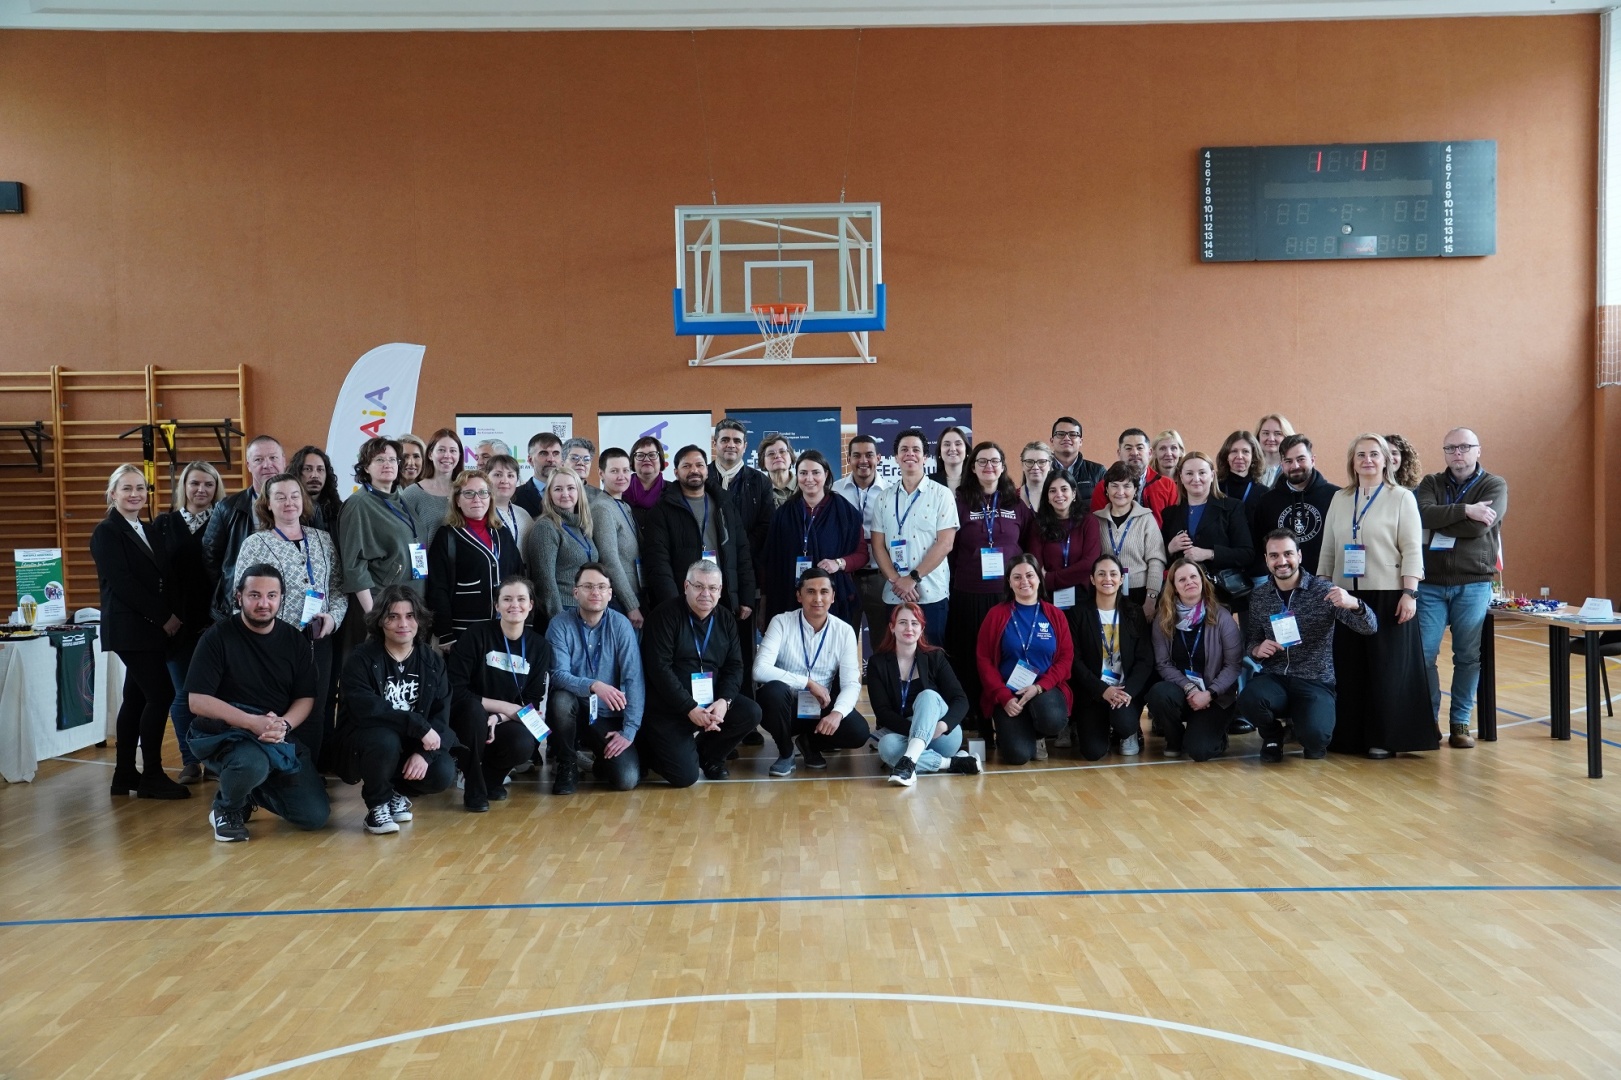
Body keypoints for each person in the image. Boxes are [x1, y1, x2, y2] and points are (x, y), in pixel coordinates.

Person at [186, 564, 330, 840]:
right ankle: (227, 807)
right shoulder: (217, 637)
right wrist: (252, 723)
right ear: (239, 597)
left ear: (281, 598)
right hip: (228, 734)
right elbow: (198, 701)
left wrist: (283, 725)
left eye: (271, 596)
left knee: (314, 816)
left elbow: (305, 697)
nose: (264, 603)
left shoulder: (294, 640)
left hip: (275, 735)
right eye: (255, 595)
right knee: (251, 763)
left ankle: (247, 791)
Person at [1316, 434, 1436, 758]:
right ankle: (1350, 737)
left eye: (1374, 454)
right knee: (1350, 667)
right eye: (1361, 455)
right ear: (1352, 462)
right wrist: (1323, 587)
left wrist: (1410, 592)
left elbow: (1412, 549)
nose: (1367, 460)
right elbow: (1328, 548)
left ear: (1385, 460)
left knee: (1387, 670)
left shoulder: (1402, 498)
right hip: (1345, 594)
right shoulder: (1340, 498)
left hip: (1389, 594)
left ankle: (1385, 738)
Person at [234, 472, 347, 767]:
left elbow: (337, 588)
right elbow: (240, 597)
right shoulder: (255, 543)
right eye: (280, 497)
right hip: (274, 643)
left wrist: (333, 619)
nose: (289, 502)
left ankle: (308, 772)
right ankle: (278, 770)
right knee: (278, 707)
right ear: (267, 504)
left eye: (295, 496)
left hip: (318, 640)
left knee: (316, 708)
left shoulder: (323, 540)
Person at [91, 464, 190, 800]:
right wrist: (164, 618)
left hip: (149, 629)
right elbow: (123, 584)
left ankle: (123, 775)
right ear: (112, 494)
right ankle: (152, 775)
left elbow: (164, 577)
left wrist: (173, 614)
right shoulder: (106, 532)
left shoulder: (146, 528)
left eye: (140, 488)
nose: (135, 494)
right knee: (161, 695)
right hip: (130, 628)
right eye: (127, 488)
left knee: (136, 697)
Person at [1241, 530, 1378, 761]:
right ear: (1266, 559)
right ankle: (1273, 735)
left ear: (1300, 556)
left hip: (1315, 680)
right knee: (1249, 699)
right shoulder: (1260, 596)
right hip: (1275, 677)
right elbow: (1252, 640)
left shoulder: (1323, 592)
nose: (1282, 561)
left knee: (1316, 743)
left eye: (1288, 554)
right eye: (1274, 556)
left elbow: (1370, 627)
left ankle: (1304, 722)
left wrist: (1355, 604)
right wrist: (1256, 649)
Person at [337, 585, 459, 834]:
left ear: (419, 620)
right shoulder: (361, 658)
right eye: (393, 616)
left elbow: (441, 715)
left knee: (442, 772)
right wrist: (417, 725)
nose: (403, 623)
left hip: (411, 743)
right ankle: (377, 806)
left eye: (410, 616)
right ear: (380, 620)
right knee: (385, 739)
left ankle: (395, 792)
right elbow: (365, 709)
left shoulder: (432, 661)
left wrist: (424, 755)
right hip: (367, 744)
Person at [1415, 428, 1508, 749]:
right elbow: (1422, 514)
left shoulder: (1494, 485)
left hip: (1473, 583)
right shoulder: (1430, 483)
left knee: (1467, 656)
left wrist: (1445, 519)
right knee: (1424, 655)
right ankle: (1428, 721)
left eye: (1465, 447)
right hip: (1430, 585)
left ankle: (1460, 723)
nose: (1457, 453)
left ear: (1478, 450)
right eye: (1451, 448)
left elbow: (1479, 528)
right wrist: (1467, 509)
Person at [637, 560, 763, 786]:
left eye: (712, 588)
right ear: (686, 586)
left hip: (709, 701)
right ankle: (649, 751)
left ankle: (709, 757)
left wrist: (724, 701)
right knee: (684, 777)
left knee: (750, 712)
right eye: (699, 586)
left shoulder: (726, 619)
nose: (706, 593)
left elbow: (735, 666)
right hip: (670, 707)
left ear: (720, 591)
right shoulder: (664, 616)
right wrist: (689, 708)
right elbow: (660, 670)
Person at [945, 440, 1031, 735]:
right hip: (969, 594)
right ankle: (974, 716)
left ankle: (1008, 712)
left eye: (995, 461)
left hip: (1008, 595)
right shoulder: (959, 502)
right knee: (970, 656)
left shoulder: (1016, 504)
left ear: (1003, 467)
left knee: (1007, 653)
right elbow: (951, 549)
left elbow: (1026, 544)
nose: (989, 466)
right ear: (972, 467)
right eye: (982, 461)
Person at [447, 575, 552, 810]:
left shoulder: (539, 646)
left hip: (505, 719)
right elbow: (456, 690)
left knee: (524, 742)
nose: (514, 605)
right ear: (497, 605)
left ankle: (490, 780)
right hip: (469, 714)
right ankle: (473, 787)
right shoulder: (476, 634)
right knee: (473, 712)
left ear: (531, 605)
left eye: (521, 599)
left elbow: (532, 700)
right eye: (507, 599)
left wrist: (499, 717)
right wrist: (505, 707)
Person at [754, 568, 868, 776]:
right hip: (785, 709)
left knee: (858, 732)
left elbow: (851, 683)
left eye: (824, 592)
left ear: (833, 596)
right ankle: (785, 752)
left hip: (820, 707)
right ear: (799, 596)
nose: (818, 598)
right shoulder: (781, 622)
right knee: (773, 692)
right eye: (810, 591)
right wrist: (807, 682)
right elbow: (759, 669)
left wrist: (837, 713)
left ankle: (810, 743)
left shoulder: (844, 631)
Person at [152, 460, 224, 784]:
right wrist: (164, 616)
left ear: (216, 488)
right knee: (182, 695)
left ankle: (215, 760)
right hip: (175, 626)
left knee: (215, 696)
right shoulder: (164, 524)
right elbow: (154, 576)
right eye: (194, 483)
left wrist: (220, 618)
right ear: (183, 487)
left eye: (208, 484)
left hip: (214, 624)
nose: (201, 489)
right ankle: (190, 761)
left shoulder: (224, 521)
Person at [545, 564, 644, 794]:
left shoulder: (621, 625)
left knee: (627, 779)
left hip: (608, 715)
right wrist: (593, 685)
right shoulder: (559, 624)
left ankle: (601, 763)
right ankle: (566, 764)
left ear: (610, 593)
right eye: (588, 586)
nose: (595, 592)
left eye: (601, 587)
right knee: (560, 699)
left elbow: (634, 679)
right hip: (575, 710)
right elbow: (557, 675)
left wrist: (629, 730)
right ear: (575, 592)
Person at [865, 602, 981, 785]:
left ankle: (908, 762)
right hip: (903, 733)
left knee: (928, 695)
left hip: (941, 735)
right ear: (892, 627)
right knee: (886, 746)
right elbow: (882, 711)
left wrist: (942, 726)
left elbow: (961, 700)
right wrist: (918, 732)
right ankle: (951, 763)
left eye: (914, 623)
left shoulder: (935, 657)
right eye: (902, 622)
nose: (909, 628)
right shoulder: (877, 663)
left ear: (922, 629)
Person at [974, 554, 1073, 766]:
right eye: (1017, 577)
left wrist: (1039, 687)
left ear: (1039, 579)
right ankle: (1016, 731)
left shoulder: (1055, 615)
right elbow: (984, 660)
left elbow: (1066, 659)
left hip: (1043, 690)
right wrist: (1003, 696)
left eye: (1029, 575)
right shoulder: (996, 615)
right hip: (1008, 693)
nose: (1024, 581)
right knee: (1017, 756)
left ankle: (1037, 736)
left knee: (1053, 719)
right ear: (1009, 582)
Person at [642, 445, 756, 625]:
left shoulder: (724, 505)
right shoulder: (662, 511)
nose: (694, 470)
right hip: (683, 603)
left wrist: (746, 597)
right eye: (686, 466)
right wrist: (674, 605)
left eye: (699, 465)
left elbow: (741, 551)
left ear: (707, 470)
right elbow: (658, 563)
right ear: (676, 472)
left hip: (723, 599)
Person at [1145, 559, 1244, 760]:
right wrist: (1189, 688)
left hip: (1215, 697)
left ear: (1202, 580)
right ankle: (1174, 738)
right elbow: (1163, 663)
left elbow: (1233, 665)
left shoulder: (1222, 616)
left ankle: (1217, 736)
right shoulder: (1163, 618)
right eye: (1182, 579)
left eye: (1193, 576)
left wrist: (1210, 693)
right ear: (1174, 587)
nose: (1189, 582)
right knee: (1158, 693)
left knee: (1200, 751)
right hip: (1182, 692)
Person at [870, 428, 959, 649]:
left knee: (932, 656)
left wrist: (912, 578)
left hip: (931, 594)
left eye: (916, 450)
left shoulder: (942, 494)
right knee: (896, 656)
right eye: (904, 449)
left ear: (925, 457)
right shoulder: (883, 498)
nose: (910, 454)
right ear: (896, 457)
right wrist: (896, 581)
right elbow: (878, 546)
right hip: (894, 594)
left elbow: (946, 543)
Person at [761, 449, 865, 625]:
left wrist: (839, 563)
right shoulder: (783, 514)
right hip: (790, 599)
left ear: (826, 474)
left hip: (833, 599)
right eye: (803, 473)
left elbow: (862, 554)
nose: (809, 479)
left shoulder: (846, 512)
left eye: (815, 472)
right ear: (797, 476)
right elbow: (770, 562)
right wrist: (765, 603)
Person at [426, 469, 523, 648]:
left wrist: (523, 622)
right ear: (457, 500)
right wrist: (445, 634)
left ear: (490, 497)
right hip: (463, 631)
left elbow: (519, 578)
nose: (477, 499)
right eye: (469, 493)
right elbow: (437, 588)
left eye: (483, 492)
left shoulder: (502, 533)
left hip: (503, 628)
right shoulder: (447, 536)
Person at [711, 419, 775, 689]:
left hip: (745, 575)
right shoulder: (701, 478)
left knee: (743, 650)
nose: (731, 445)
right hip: (707, 577)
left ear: (745, 446)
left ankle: (744, 706)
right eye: (725, 439)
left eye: (737, 441)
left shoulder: (760, 482)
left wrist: (736, 550)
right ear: (715, 443)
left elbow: (766, 526)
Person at [1070, 554, 1153, 759]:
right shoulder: (1078, 613)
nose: (1108, 579)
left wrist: (1128, 692)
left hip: (1126, 692)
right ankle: (1103, 729)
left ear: (1122, 579)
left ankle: (1128, 732)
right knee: (1093, 752)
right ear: (1092, 579)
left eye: (1113, 574)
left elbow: (1145, 660)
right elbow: (1075, 660)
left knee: (1124, 722)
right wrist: (1102, 690)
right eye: (1101, 574)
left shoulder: (1134, 612)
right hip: (1094, 692)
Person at [525, 466, 624, 628]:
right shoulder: (546, 527)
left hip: (586, 610)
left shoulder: (582, 526)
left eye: (571, 488)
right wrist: (559, 620)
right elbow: (545, 581)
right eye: (558, 489)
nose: (565, 494)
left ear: (579, 491)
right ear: (549, 494)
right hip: (563, 612)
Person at [201, 434, 286, 621]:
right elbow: (211, 555)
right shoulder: (227, 508)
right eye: (258, 460)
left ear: (283, 461)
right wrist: (232, 585)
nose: (267, 465)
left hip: (290, 603)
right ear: (248, 465)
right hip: (241, 607)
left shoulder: (304, 507)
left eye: (273, 458)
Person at [338, 437, 424, 620]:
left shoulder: (400, 499)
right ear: (366, 467)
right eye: (379, 459)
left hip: (410, 600)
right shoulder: (358, 504)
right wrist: (374, 615)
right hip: (382, 604)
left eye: (392, 459)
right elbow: (354, 566)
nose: (387, 464)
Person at [1159, 451, 1254, 600]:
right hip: (1182, 596)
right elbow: (1158, 559)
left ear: (1212, 475)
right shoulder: (1170, 514)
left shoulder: (1232, 507)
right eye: (1189, 474)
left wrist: (1209, 554)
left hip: (1220, 594)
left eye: (1202, 473)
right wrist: (1170, 548)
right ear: (1181, 478)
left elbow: (1246, 554)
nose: (1196, 479)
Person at [832, 433, 891, 649]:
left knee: (884, 646)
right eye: (856, 455)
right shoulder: (835, 491)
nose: (863, 461)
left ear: (879, 458)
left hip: (881, 578)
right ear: (848, 459)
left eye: (869, 455)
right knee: (842, 645)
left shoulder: (891, 491)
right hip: (846, 578)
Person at [1251, 434, 1337, 577]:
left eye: (1301, 459)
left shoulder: (1335, 496)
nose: (1295, 466)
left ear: (1313, 460)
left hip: (1326, 582)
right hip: (1282, 583)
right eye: (1288, 461)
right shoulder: (1267, 501)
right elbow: (1260, 547)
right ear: (1282, 464)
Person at [1091, 462, 1167, 618]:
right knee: (1110, 633)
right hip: (1104, 591)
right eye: (1114, 486)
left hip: (1139, 594)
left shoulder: (1146, 519)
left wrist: (1151, 599)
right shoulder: (1096, 520)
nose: (1120, 492)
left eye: (1127, 486)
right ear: (1106, 489)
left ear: (1135, 490)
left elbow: (1156, 561)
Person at [1026, 470, 1101, 618]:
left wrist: (1050, 578)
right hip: (1048, 597)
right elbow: (1035, 565)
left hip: (1082, 596)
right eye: (1052, 491)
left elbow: (1089, 564)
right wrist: (1048, 579)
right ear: (1047, 497)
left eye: (1064, 489)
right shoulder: (1038, 525)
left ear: (1073, 494)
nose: (1059, 495)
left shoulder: (1089, 521)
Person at [1088, 428, 1177, 526]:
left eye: (1140, 448)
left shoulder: (1167, 485)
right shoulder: (1104, 487)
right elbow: (1098, 526)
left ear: (1150, 452)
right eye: (1128, 448)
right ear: (1119, 453)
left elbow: (1174, 524)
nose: (1134, 453)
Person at [595, 447, 645, 620]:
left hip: (635, 591)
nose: (621, 476)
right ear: (601, 473)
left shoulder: (623, 505)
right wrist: (631, 605)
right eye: (614, 471)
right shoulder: (602, 508)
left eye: (626, 470)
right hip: (620, 598)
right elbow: (609, 559)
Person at [399, 427, 464, 550]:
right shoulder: (412, 494)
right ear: (430, 454)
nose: (447, 455)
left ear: (459, 455)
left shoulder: (467, 491)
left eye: (453, 451)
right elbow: (406, 539)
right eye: (441, 450)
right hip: (428, 561)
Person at [1048, 417, 1107, 505]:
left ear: (1080, 441)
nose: (1066, 438)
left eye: (1073, 434)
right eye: (1060, 434)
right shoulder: (1042, 471)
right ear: (1052, 441)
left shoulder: (1097, 471)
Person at [486, 453, 535, 551]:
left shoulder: (524, 515)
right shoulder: (480, 514)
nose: (505, 480)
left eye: (510, 475)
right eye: (498, 475)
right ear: (486, 479)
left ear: (517, 480)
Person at [289, 445, 342, 535]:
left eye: (320, 469)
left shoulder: (338, 510)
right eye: (308, 469)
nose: (314, 475)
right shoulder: (287, 508)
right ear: (297, 472)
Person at [512, 431, 564, 517]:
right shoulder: (514, 496)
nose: (551, 459)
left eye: (556, 453)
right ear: (530, 460)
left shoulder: (573, 494)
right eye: (543, 453)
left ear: (562, 460)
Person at [1215, 430, 1268, 513]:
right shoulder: (1215, 488)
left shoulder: (1263, 492)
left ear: (1253, 457)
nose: (1239, 456)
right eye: (1234, 451)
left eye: (1245, 451)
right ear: (1226, 456)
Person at [623, 436, 667, 513]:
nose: (646, 459)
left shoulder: (673, 492)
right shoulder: (621, 491)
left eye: (652, 455)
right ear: (632, 461)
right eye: (640, 455)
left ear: (661, 460)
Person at [758, 432, 798, 507]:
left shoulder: (804, 485)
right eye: (771, 453)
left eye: (782, 452)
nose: (777, 456)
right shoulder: (757, 490)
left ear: (791, 457)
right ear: (763, 461)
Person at [1255, 414, 1296, 487]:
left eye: (1277, 434)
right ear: (1258, 437)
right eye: (1266, 433)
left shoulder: (1294, 468)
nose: (1271, 439)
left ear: (1287, 437)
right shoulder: (1248, 467)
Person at [929, 425, 970, 493]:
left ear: (966, 450)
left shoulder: (977, 481)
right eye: (947, 444)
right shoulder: (929, 482)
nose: (953, 449)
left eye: (958, 444)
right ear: (940, 452)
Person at [1016, 441, 1053, 511]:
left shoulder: (1058, 497)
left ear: (1049, 465)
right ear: (1022, 465)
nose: (1035, 467)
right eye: (1029, 462)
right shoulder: (1012, 497)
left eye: (1042, 462)